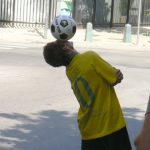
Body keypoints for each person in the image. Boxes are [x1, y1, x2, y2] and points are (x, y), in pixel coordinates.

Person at [43, 40, 131, 150]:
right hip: (109, 125)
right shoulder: (90, 57)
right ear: (66, 47)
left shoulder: (69, 71)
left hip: (88, 131)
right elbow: (115, 77)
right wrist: (117, 74)